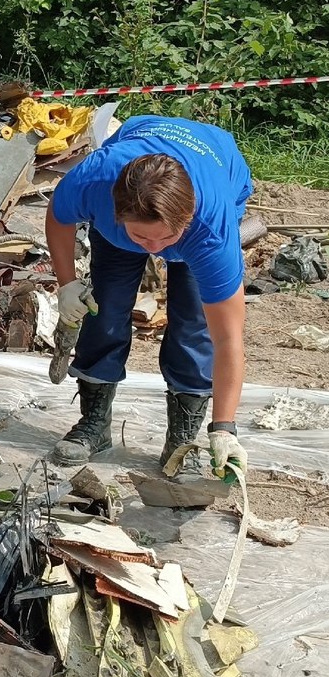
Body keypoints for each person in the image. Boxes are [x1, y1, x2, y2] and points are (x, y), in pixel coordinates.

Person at [45, 115, 251, 481]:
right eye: (143, 239)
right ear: (115, 214)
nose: (155, 250)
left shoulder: (210, 231)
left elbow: (227, 338)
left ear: (186, 221)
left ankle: (184, 438)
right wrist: (67, 284)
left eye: (163, 240)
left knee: (193, 323)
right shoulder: (94, 182)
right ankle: (94, 423)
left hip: (218, 169)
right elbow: (59, 217)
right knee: (104, 306)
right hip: (131, 196)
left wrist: (224, 428)